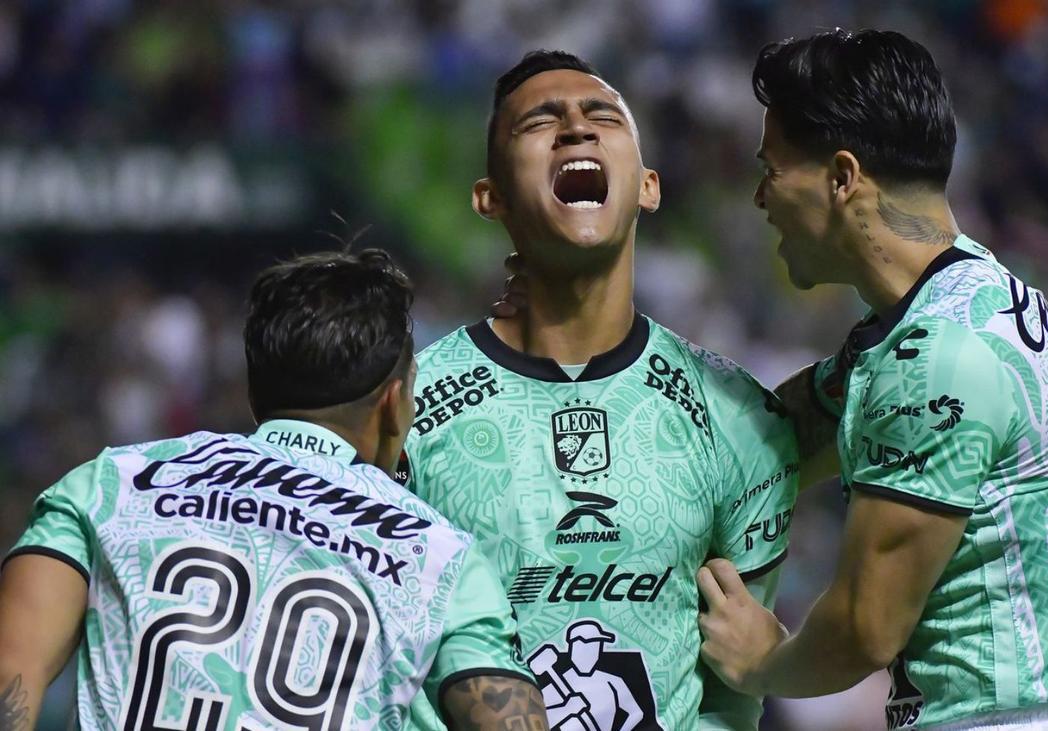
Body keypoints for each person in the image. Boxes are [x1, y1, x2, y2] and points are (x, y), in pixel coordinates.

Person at [696, 29, 1048, 731]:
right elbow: (780, 436)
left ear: (842, 177)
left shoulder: (936, 355)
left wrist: (764, 660)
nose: (759, 196)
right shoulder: (967, 298)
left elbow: (866, 625)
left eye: (772, 168)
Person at [400, 51, 804, 731]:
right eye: (540, 121)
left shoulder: (736, 417)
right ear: (489, 197)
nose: (576, 130)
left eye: (601, 117)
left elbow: (734, 689)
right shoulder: (406, 409)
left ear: (648, 185)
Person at [0, 248, 548, 731]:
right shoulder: (440, 556)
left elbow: (11, 666)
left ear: (255, 393)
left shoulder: (112, 483)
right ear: (393, 403)